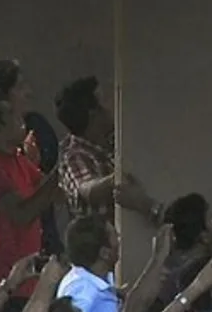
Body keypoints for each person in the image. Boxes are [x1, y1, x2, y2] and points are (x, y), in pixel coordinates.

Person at [0, 89, 60, 299]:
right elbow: (21, 215)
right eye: (13, 116)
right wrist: (61, 171)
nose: (22, 121)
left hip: (24, 280)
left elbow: (53, 192)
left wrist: (44, 169)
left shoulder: (17, 159)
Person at [54, 76, 160, 222]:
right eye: (107, 99)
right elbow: (87, 189)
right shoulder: (75, 155)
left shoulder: (115, 141)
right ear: (93, 113)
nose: (114, 104)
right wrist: (118, 178)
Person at [56, 216, 121, 312]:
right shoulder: (84, 298)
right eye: (116, 237)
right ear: (105, 253)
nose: (119, 241)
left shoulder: (93, 278)